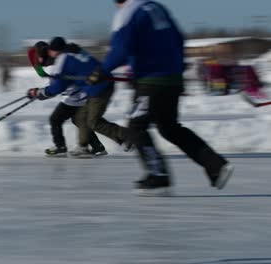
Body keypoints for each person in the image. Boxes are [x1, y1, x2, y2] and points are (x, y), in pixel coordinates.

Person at [88, 0, 234, 196]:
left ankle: (158, 176)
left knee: (136, 127)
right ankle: (215, 165)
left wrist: (102, 70)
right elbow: (178, 39)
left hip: (152, 81)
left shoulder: (128, 12)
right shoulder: (156, 7)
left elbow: (121, 48)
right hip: (173, 79)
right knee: (169, 128)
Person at [27, 37, 133, 158]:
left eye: (51, 50)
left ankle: (129, 136)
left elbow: (58, 87)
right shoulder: (74, 52)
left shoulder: (62, 60)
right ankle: (87, 147)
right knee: (80, 118)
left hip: (97, 88)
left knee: (92, 121)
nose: (49, 53)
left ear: (56, 51)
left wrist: (39, 93)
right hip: (95, 87)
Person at [32, 41, 108, 158]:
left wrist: (38, 93)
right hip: (80, 95)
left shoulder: (51, 67)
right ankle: (97, 146)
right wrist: (40, 93)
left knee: (55, 119)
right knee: (78, 120)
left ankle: (60, 147)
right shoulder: (56, 61)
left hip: (73, 98)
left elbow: (53, 87)